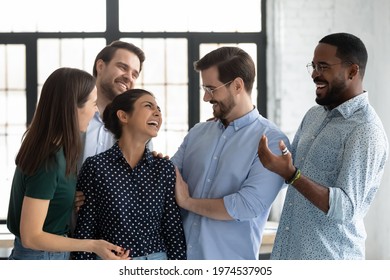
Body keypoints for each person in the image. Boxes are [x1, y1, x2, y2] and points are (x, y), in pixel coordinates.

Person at [258, 32, 389, 259]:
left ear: (352, 71)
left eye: (323, 66)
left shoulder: (366, 129)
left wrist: (292, 175)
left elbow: (346, 209)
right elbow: (287, 171)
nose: (314, 74)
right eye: (313, 66)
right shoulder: (314, 115)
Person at [172, 46, 290, 260]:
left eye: (211, 89)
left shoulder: (272, 141)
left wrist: (188, 202)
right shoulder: (198, 133)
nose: (206, 98)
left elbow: (247, 205)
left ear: (237, 85)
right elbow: (168, 178)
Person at [6, 67, 129, 260]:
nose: (96, 110)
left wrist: (64, 199)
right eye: (93, 103)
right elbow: (31, 236)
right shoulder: (49, 160)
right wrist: (93, 245)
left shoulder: (56, 149)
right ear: (72, 108)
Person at [72, 89, 186, 260]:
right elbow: (86, 230)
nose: (157, 113)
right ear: (123, 116)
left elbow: (173, 231)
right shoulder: (95, 167)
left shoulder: (164, 168)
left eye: (159, 109)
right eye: (149, 106)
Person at [81, 40, 148, 165]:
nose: (128, 77)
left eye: (134, 74)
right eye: (123, 67)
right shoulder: (72, 112)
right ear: (100, 66)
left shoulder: (135, 125)